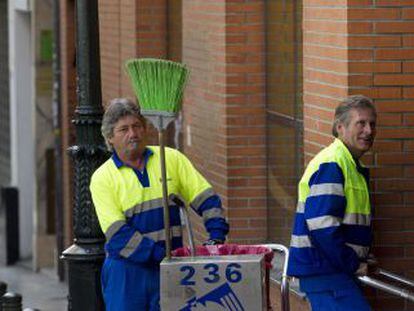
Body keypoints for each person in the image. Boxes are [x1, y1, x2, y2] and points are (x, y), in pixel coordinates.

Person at [90, 98, 229, 311]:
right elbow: (117, 234)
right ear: (110, 137)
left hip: (172, 268)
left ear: (145, 128)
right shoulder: (102, 178)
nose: (132, 133)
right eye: (123, 129)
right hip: (127, 273)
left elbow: (206, 197)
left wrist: (216, 236)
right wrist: (161, 257)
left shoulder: (170, 159)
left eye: (136, 126)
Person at [287, 95, 377, 310]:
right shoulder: (333, 163)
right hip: (326, 272)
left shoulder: (346, 163)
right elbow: (322, 224)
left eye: (372, 124)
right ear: (340, 127)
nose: (369, 131)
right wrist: (352, 262)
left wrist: (360, 255)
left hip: (331, 271)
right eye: (361, 123)